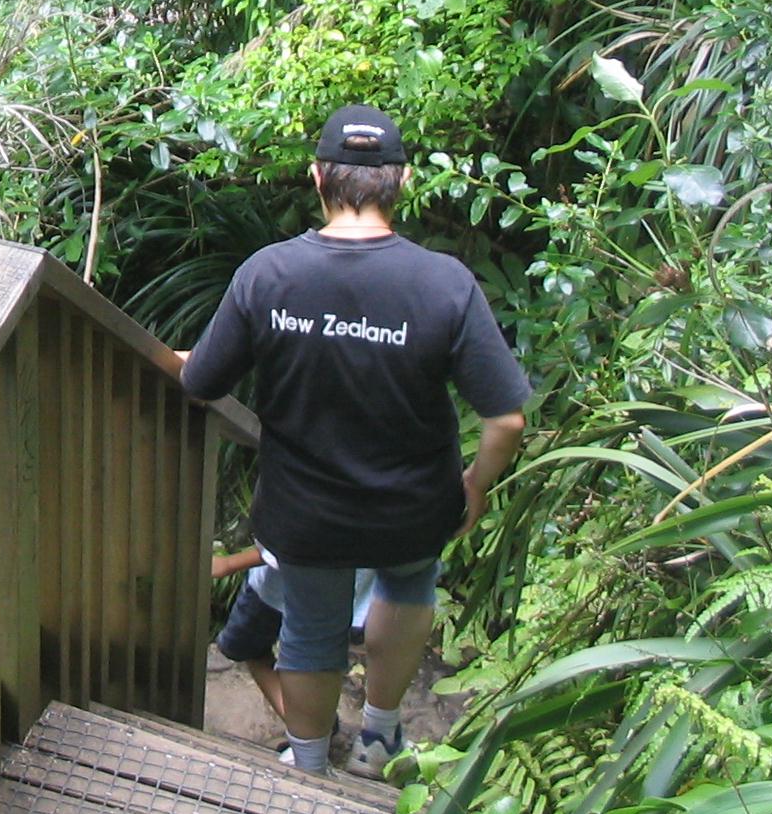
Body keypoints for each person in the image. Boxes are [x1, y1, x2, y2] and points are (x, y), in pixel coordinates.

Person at [181, 104, 530, 779]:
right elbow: (507, 420)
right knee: (407, 589)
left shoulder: (269, 275)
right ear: (400, 181)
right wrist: (475, 487)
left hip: (305, 512)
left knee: (309, 632)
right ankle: (379, 738)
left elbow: (202, 380)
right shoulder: (445, 283)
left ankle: (308, 764)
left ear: (317, 177)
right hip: (414, 507)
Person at [210, 543, 375, 727]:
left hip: (277, 592)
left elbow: (289, 537)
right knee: (318, 667)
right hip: (346, 600)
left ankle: (310, 731)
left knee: (247, 648)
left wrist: (229, 564)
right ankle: (315, 730)